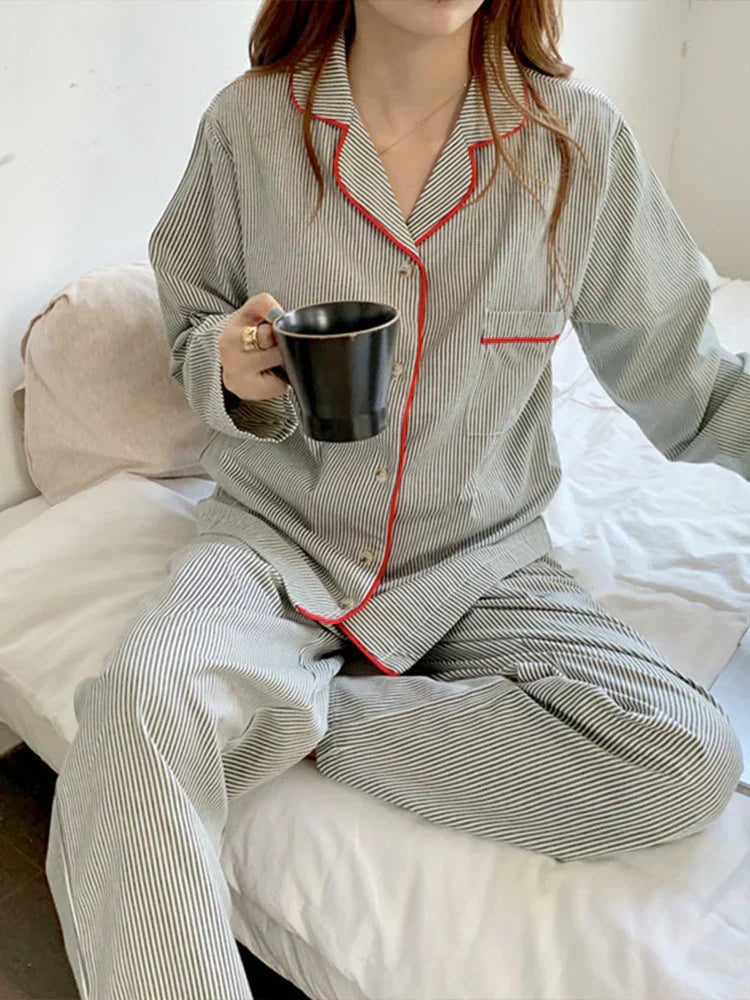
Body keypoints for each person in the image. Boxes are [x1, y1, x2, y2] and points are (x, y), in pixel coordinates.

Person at [46, 0, 746, 997]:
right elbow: (192, 324)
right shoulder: (249, 125)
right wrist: (229, 367)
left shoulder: (578, 143)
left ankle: (301, 712)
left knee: (683, 759)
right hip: (276, 542)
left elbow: (690, 376)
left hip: (483, 559)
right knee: (139, 704)